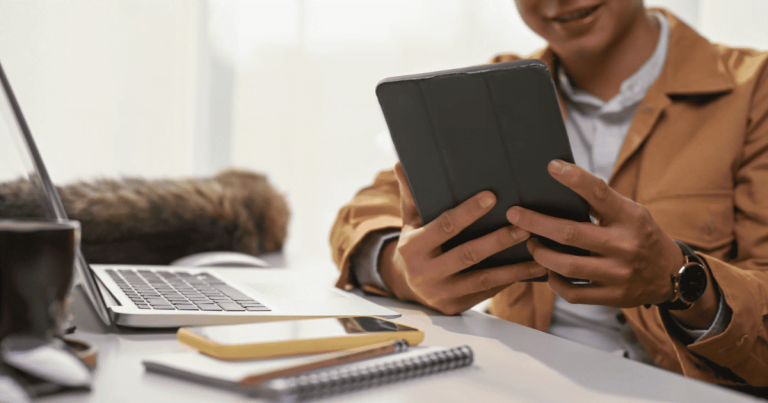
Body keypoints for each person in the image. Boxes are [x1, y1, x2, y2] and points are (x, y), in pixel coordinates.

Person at [330, 1, 768, 388]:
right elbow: (364, 212)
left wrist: (680, 280)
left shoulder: (754, 90)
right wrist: (405, 268)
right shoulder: (492, 90)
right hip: (514, 383)